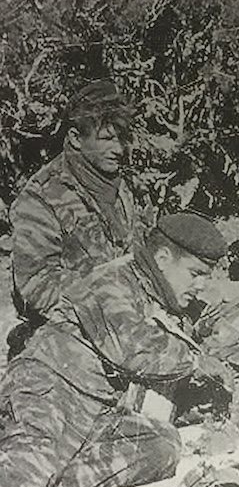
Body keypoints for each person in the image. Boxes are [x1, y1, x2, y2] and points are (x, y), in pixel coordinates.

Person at [0, 213, 235, 487]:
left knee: (162, 446)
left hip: (97, 408)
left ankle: (53, 481)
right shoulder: (112, 280)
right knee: (26, 480)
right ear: (163, 258)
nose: (200, 286)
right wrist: (200, 363)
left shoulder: (157, 293)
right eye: (195, 274)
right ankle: (39, 475)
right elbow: (135, 350)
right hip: (50, 388)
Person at [8, 79, 153, 355]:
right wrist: (106, 292)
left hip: (131, 320)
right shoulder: (41, 198)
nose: (119, 150)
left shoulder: (120, 184)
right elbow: (35, 285)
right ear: (76, 138)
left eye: (122, 139)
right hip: (74, 332)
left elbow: (137, 245)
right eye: (108, 139)